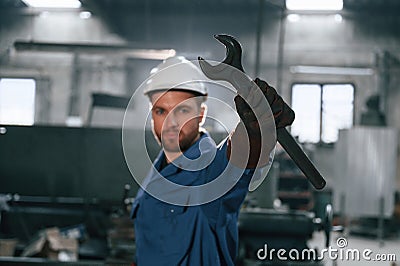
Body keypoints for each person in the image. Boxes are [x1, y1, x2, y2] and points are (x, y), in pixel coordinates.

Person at [130, 55, 294, 265]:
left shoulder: (209, 171)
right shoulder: (159, 169)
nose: (170, 123)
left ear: (202, 114)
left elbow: (235, 158)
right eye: (160, 111)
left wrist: (253, 131)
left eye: (182, 110)